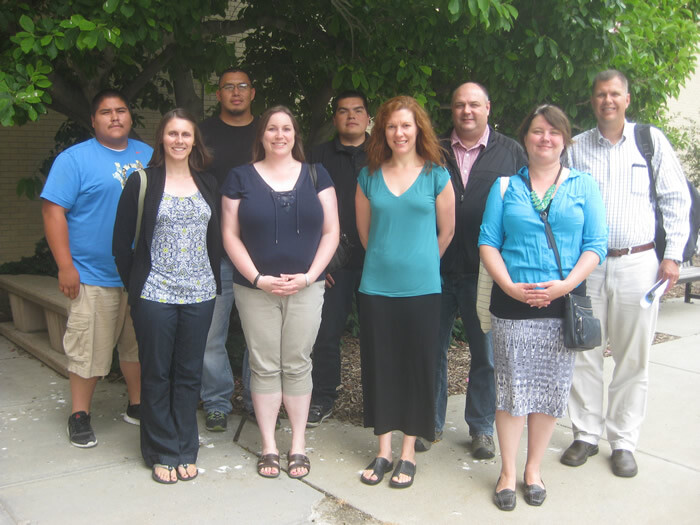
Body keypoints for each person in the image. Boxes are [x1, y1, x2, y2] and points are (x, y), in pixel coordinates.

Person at [479, 104, 607, 510]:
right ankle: (507, 471)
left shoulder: (584, 186)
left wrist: (566, 285)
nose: (545, 138)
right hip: (513, 304)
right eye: (537, 131)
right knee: (512, 390)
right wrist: (511, 288)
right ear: (526, 138)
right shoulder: (504, 187)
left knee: (550, 390)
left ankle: (533, 469)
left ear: (565, 140)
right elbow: (488, 242)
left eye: (554, 132)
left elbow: (596, 245)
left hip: (562, 304)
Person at [563, 70, 691, 478]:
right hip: (589, 265)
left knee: (633, 357)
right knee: (584, 352)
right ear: (592, 100)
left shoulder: (649, 143)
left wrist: (673, 257)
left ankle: (623, 441)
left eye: (614, 94)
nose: (608, 101)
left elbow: (676, 200)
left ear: (627, 99)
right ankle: (585, 433)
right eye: (600, 94)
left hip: (640, 263)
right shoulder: (576, 148)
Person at [221, 106, 339, 479]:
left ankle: (298, 444)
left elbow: (331, 232)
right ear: (262, 135)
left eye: (286, 128)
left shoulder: (317, 175)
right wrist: (257, 278)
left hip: (307, 287)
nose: (279, 135)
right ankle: (269, 446)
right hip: (256, 289)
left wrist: (309, 276)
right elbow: (230, 235)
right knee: (264, 364)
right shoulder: (239, 177)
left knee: (298, 362)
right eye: (271, 128)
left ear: (294, 135)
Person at [415, 82, 527, 456]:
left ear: (488, 108)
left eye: (474, 105)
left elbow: (525, 209)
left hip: (486, 273)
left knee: (486, 354)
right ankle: (428, 423)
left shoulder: (511, 153)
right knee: (431, 348)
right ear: (452, 110)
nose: (467, 111)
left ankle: (481, 428)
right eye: (460, 105)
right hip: (437, 266)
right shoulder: (433, 150)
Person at [113, 109, 221, 484]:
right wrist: (137, 290)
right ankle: (160, 450)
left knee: (189, 374)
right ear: (162, 138)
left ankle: (184, 448)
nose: (179, 140)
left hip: (200, 292)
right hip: (155, 293)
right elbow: (120, 244)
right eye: (172, 134)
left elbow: (216, 238)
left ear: (194, 141)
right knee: (157, 373)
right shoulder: (142, 181)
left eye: (186, 135)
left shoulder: (207, 183)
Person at [41, 89, 152, 448]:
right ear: (93, 120)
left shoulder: (148, 155)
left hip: (141, 275)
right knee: (88, 350)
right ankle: (79, 415)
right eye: (106, 112)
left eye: (121, 110)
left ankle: (136, 406)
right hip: (92, 274)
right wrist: (64, 266)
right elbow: (52, 211)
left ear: (130, 117)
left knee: (136, 348)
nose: (115, 117)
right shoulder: (74, 160)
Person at [357, 96, 455, 489]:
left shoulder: (436, 175)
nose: (400, 133)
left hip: (422, 289)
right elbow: (366, 234)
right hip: (377, 287)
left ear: (419, 130)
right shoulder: (368, 175)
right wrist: (389, 258)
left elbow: (446, 232)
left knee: (417, 367)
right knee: (380, 365)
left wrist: (422, 261)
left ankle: (408, 452)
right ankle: (383, 450)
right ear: (383, 130)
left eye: (407, 125)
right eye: (392, 126)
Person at [199, 68, 257, 432]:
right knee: (209, 337)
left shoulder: (268, 132)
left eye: (242, 86)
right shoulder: (202, 135)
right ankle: (216, 402)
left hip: (261, 255)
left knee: (259, 336)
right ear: (217, 94)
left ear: (253, 92)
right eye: (228, 87)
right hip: (214, 252)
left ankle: (257, 399)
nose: (236, 92)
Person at [307, 90, 370, 427]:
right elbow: (303, 211)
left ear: (367, 117)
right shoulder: (316, 157)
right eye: (343, 111)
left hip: (376, 261)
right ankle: (323, 398)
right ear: (335, 118)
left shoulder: (383, 153)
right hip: (331, 265)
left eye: (357, 111)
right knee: (326, 334)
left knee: (376, 336)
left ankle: (377, 402)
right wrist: (317, 262)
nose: (350, 117)